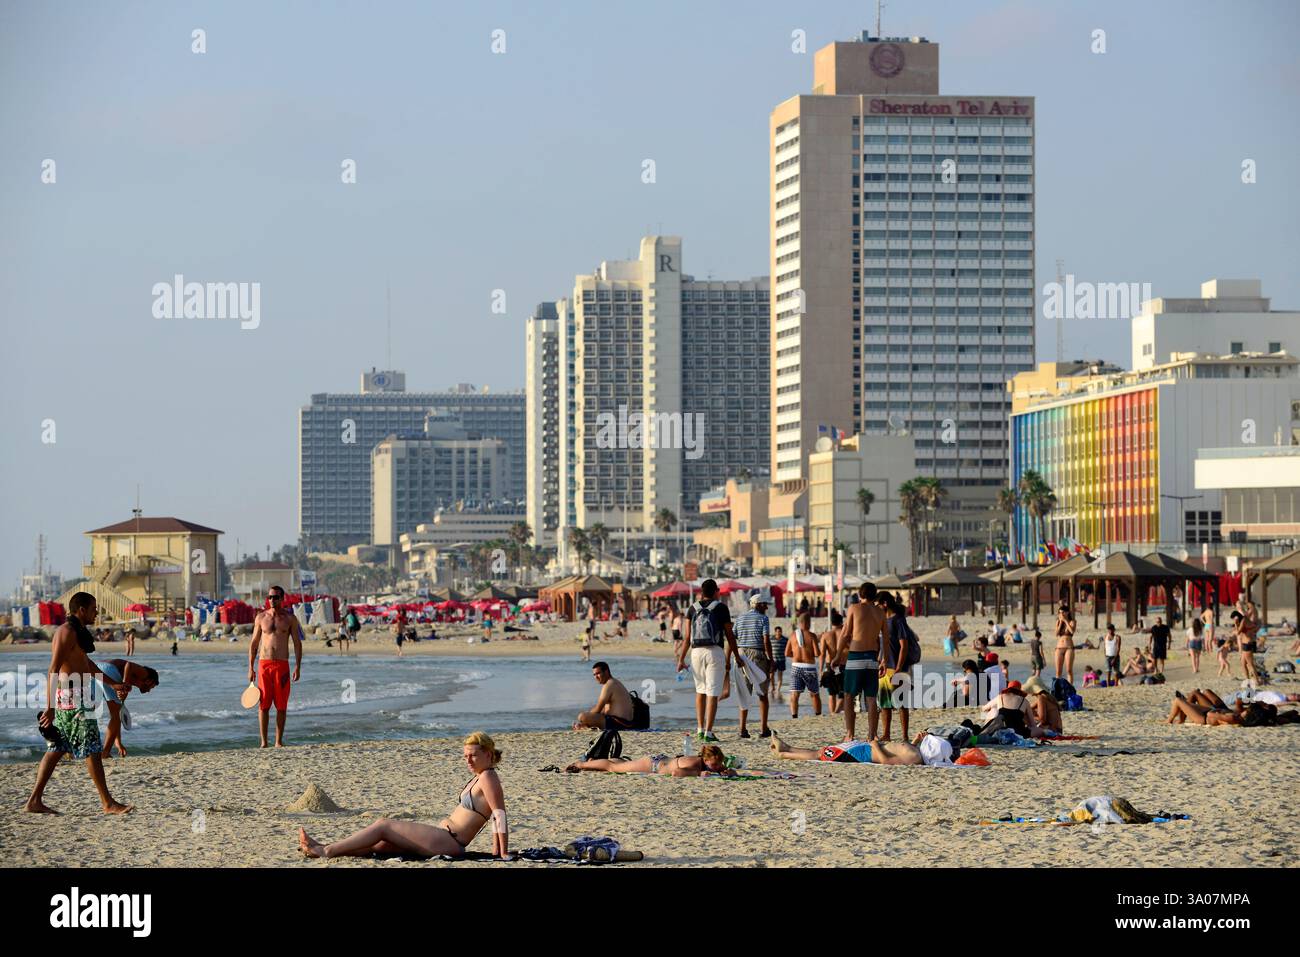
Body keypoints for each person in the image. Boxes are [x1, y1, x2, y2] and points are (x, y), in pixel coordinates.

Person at [300, 733, 508, 859]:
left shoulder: (488, 777)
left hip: (449, 841)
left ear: (488, 754)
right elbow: (492, 817)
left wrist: (502, 853)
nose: (468, 761)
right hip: (443, 836)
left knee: (383, 825)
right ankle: (322, 847)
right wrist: (495, 851)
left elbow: (499, 815)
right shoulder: (480, 776)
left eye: (473, 755)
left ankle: (326, 851)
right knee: (380, 845)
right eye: (465, 756)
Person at [25, 592, 133, 815]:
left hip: (78, 695)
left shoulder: (78, 633)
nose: (96, 613)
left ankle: (34, 801)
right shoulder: (65, 632)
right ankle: (108, 803)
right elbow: (53, 669)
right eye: (94, 608)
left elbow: (86, 664)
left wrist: (113, 685)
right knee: (93, 749)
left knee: (57, 748)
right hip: (73, 698)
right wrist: (50, 708)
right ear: (81, 609)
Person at [676, 579, 740, 742]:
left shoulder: (692, 608)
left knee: (700, 691)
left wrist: (681, 659)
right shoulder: (721, 608)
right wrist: (737, 656)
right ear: (716, 591)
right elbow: (729, 635)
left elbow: (687, 637)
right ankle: (709, 733)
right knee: (712, 692)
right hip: (714, 651)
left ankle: (699, 729)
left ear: (701, 592)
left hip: (696, 652)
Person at [249, 585, 304, 748]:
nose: (272, 600)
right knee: (263, 704)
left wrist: (298, 667)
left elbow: (297, 644)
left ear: (282, 598)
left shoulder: (290, 619)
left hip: (282, 665)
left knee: (281, 705)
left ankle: (278, 741)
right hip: (264, 664)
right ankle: (264, 742)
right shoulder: (260, 617)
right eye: (270, 597)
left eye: (276, 597)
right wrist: (250, 667)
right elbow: (254, 643)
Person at [836, 582, 887, 742]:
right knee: (871, 697)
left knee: (849, 695)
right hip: (872, 657)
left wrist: (837, 655)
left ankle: (850, 734)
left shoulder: (854, 608)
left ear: (860, 594)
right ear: (875, 595)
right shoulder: (880, 612)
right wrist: (884, 659)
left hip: (856, 656)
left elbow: (845, 634)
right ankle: (871, 735)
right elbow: (886, 637)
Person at [96, 659, 160, 757]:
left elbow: (119, 714)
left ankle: (70, 750)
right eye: (152, 687)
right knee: (114, 715)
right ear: (149, 680)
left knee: (89, 713)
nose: (149, 691)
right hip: (108, 669)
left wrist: (118, 743)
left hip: (95, 668)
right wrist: (124, 684)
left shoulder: (128, 685)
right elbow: (129, 665)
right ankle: (105, 752)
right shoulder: (144, 673)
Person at [732, 591, 775, 738]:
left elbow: (732, 638)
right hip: (757, 655)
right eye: (765, 605)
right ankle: (763, 729)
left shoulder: (740, 618)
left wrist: (733, 656)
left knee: (745, 693)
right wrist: (771, 659)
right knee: (762, 693)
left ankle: (742, 729)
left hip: (742, 654)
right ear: (759, 605)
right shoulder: (763, 618)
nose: (767, 608)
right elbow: (766, 640)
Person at [566, 743, 735, 777]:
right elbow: (676, 772)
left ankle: (616, 759)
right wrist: (699, 774)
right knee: (612, 768)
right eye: (714, 764)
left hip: (661, 759)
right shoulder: (694, 763)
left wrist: (729, 771)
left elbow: (721, 770)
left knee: (619, 764)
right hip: (653, 764)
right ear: (705, 760)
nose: (718, 766)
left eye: (719, 763)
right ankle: (581, 764)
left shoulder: (712, 763)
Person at [769, 730, 929, 766]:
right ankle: (787, 748)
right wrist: (915, 741)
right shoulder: (915, 752)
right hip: (863, 748)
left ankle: (784, 754)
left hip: (862, 754)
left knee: (821, 754)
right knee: (823, 750)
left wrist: (874, 745)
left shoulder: (914, 758)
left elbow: (887, 761)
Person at [878, 591, 914, 743]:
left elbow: (904, 646)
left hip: (899, 668)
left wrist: (899, 668)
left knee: (901, 703)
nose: (876, 607)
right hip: (885, 668)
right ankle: (886, 734)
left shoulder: (898, 620)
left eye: (878, 604)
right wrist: (881, 662)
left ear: (885, 603)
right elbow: (883, 646)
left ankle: (905, 736)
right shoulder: (883, 621)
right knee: (885, 704)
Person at [573, 661, 635, 731]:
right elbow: (603, 710)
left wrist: (586, 717)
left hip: (620, 723)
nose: (596, 677)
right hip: (625, 723)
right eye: (594, 675)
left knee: (582, 716)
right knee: (588, 717)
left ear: (606, 672)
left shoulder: (609, 684)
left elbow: (598, 709)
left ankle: (582, 726)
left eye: (598, 673)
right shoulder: (614, 682)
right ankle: (584, 727)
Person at [786, 613, 821, 717]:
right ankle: (818, 715)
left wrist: (796, 654)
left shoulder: (792, 635)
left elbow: (786, 653)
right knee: (814, 694)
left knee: (794, 694)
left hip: (796, 667)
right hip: (809, 668)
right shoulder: (811, 635)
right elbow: (817, 653)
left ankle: (794, 716)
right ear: (806, 622)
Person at [820, 610, 845, 716]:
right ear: (841, 622)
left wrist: (820, 669)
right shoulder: (844, 634)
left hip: (829, 665)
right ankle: (836, 712)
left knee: (831, 693)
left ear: (831, 623)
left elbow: (822, 654)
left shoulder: (825, 635)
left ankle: (832, 713)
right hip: (842, 664)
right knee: (843, 692)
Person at [1233, 611, 1261, 683]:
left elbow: (1238, 632)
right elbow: (1255, 628)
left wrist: (1236, 624)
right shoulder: (1247, 620)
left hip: (1247, 644)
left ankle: (1257, 681)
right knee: (1243, 663)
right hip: (1249, 643)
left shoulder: (1244, 620)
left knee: (1250, 664)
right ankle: (1247, 680)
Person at [1053, 605, 1076, 687]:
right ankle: (1058, 689)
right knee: (1058, 671)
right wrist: (1060, 623)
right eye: (1059, 613)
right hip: (1059, 648)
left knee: (1069, 670)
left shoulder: (1072, 621)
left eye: (1063, 612)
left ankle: (1070, 688)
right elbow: (1056, 634)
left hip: (1069, 647)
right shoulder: (1058, 622)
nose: (1061, 614)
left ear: (1067, 612)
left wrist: (1065, 621)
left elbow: (1072, 631)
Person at [770, 625, 788, 700]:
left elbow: (788, 648)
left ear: (781, 632)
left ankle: (778, 690)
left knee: (780, 676)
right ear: (775, 632)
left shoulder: (785, 639)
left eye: (780, 631)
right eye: (777, 631)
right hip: (773, 661)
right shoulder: (771, 639)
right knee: (771, 676)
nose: (778, 632)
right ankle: (772, 687)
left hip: (781, 660)